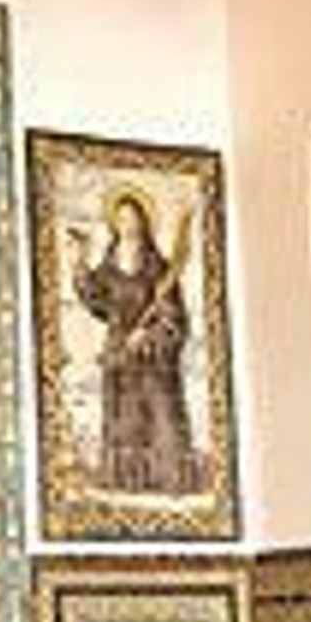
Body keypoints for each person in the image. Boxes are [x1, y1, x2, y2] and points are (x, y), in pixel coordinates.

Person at [67, 188, 198, 496]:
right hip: (120, 353)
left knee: (160, 413)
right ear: (115, 224)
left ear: (143, 222)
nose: (128, 224)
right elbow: (96, 301)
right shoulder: (110, 265)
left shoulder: (159, 268)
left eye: (133, 218)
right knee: (124, 418)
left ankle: (168, 480)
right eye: (121, 219)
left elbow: (176, 319)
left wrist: (149, 334)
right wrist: (79, 264)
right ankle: (126, 481)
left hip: (154, 359)